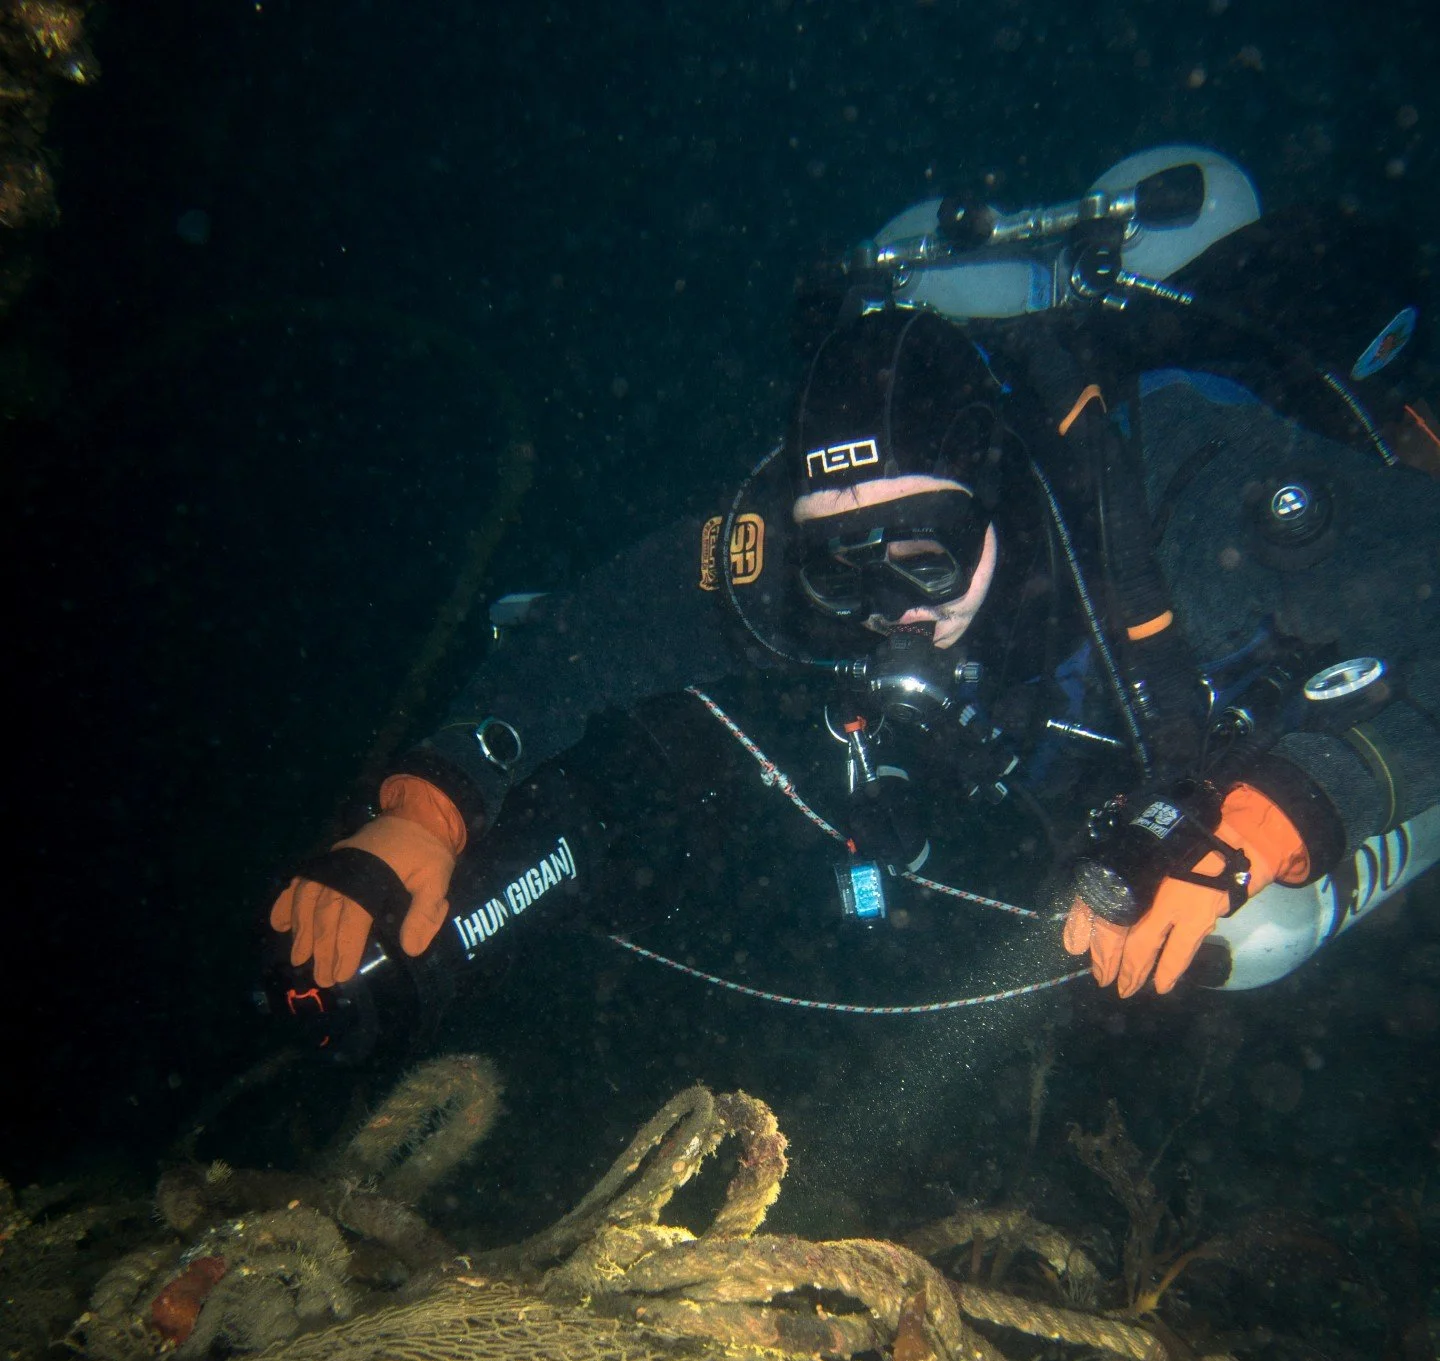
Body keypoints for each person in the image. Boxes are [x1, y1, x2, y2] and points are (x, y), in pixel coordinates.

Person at [268, 148, 1440, 1055]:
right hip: (1072, 762)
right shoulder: (795, 556)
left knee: (1256, 929)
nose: (891, 611)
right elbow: (607, 621)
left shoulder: (1188, 484)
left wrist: (1295, 802)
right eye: (843, 567)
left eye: (925, 557)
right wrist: (433, 800)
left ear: (1001, 496)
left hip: (1267, 676)